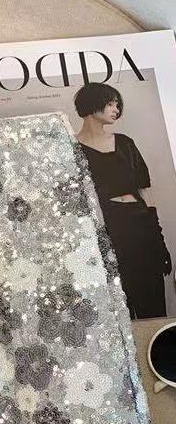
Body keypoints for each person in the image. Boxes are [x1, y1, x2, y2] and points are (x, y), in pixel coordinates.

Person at [74, 82, 172, 318]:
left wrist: (159, 241)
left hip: (141, 226)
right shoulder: (72, 149)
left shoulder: (126, 143)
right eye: (110, 104)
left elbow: (145, 194)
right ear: (91, 104)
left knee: (153, 307)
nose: (116, 109)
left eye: (117, 104)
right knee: (120, 311)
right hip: (107, 230)